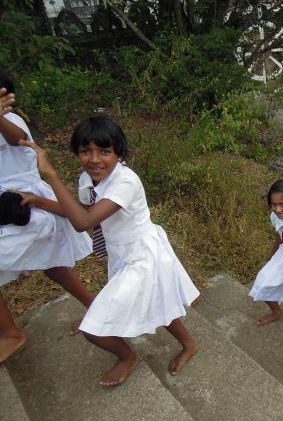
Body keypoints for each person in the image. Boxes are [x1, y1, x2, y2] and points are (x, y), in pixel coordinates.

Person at [20, 117, 199, 387]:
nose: (94, 159)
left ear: (119, 154)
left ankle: (127, 358)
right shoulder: (87, 179)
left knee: (93, 329)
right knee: (155, 298)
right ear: (77, 153)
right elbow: (80, 213)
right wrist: (40, 201)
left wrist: (51, 175)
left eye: (104, 152)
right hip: (121, 254)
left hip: (143, 254)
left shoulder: (126, 182)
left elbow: (83, 222)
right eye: (85, 151)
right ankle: (189, 343)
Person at [0, 73, 94, 364]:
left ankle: (11, 335)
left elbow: (18, 140)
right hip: (10, 206)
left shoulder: (12, 121)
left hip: (29, 204)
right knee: (55, 266)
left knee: (55, 263)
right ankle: (95, 308)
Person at [249, 180, 283, 325]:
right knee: (262, 283)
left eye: (282, 204)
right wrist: (272, 254)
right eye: (273, 204)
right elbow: (280, 235)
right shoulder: (275, 217)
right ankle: (277, 311)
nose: (277, 209)